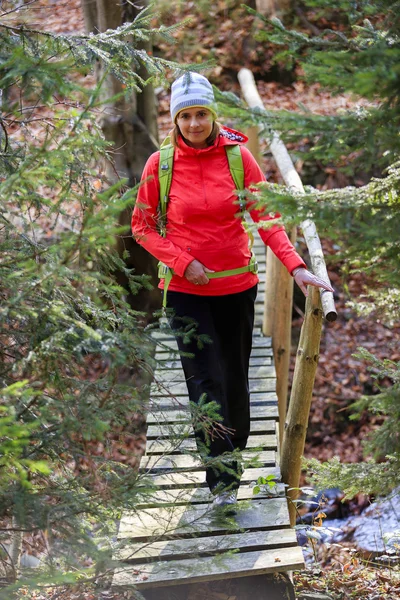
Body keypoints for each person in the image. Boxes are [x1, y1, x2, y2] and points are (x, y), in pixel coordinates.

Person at [131, 72, 334, 509]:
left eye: (201, 113)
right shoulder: (159, 166)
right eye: (185, 116)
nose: (195, 123)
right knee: (205, 383)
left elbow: (268, 220)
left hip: (237, 287)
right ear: (175, 119)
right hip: (186, 292)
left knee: (235, 382)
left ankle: (233, 457)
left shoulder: (240, 160)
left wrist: (296, 267)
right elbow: (142, 226)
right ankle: (220, 480)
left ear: (213, 114)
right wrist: (184, 262)